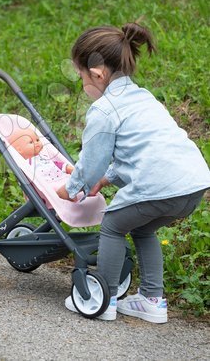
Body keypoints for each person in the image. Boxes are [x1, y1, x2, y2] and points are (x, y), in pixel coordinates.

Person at [57, 22, 210, 323]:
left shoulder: (104, 110)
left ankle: (105, 298)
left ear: (97, 74)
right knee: (143, 228)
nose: (82, 85)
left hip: (160, 185)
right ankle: (152, 300)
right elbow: (142, 151)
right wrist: (108, 178)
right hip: (193, 185)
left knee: (113, 225)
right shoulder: (143, 98)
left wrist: (73, 187)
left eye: (80, 78)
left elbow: (91, 161)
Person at [6, 128, 74, 187]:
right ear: (19, 150)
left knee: (73, 179)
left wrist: (66, 167)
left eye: (37, 140)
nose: (37, 143)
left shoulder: (43, 156)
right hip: (49, 187)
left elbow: (54, 164)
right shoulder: (25, 164)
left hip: (62, 179)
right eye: (31, 142)